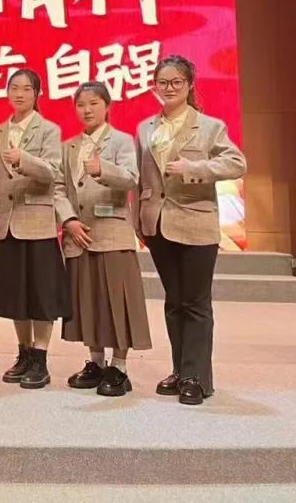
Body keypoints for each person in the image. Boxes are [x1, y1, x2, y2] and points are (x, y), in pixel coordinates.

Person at [134, 55, 246, 405]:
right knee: (174, 301)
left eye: (176, 82)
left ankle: (197, 377)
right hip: (157, 224)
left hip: (196, 223)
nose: (169, 88)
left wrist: (194, 168)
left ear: (189, 85)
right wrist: (139, 219)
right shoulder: (145, 128)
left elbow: (237, 163)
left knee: (196, 303)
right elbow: (141, 179)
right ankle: (180, 370)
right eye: (162, 82)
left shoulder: (209, 126)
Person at [55, 81, 151, 397]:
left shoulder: (121, 141)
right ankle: (95, 362)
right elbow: (58, 188)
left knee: (118, 301)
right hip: (79, 235)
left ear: (107, 106)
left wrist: (102, 170)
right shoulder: (68, 147)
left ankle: (119, 367)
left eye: (94, 103)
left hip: (112, 234)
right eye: (81, 104)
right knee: (88, 300)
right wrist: (68, 220)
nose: (87, 110)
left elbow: (131, 178)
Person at [0, 68, 68, 390]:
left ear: (37, 94)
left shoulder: (48, 130)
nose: (19, 94)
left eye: (26, 89)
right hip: (6, 222)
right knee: (15, 295)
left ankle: (41, 358)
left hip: (37, 222)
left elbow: (52, 172)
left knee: (41, 294)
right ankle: (23, 353)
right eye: (14, 88)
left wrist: (23, 159)